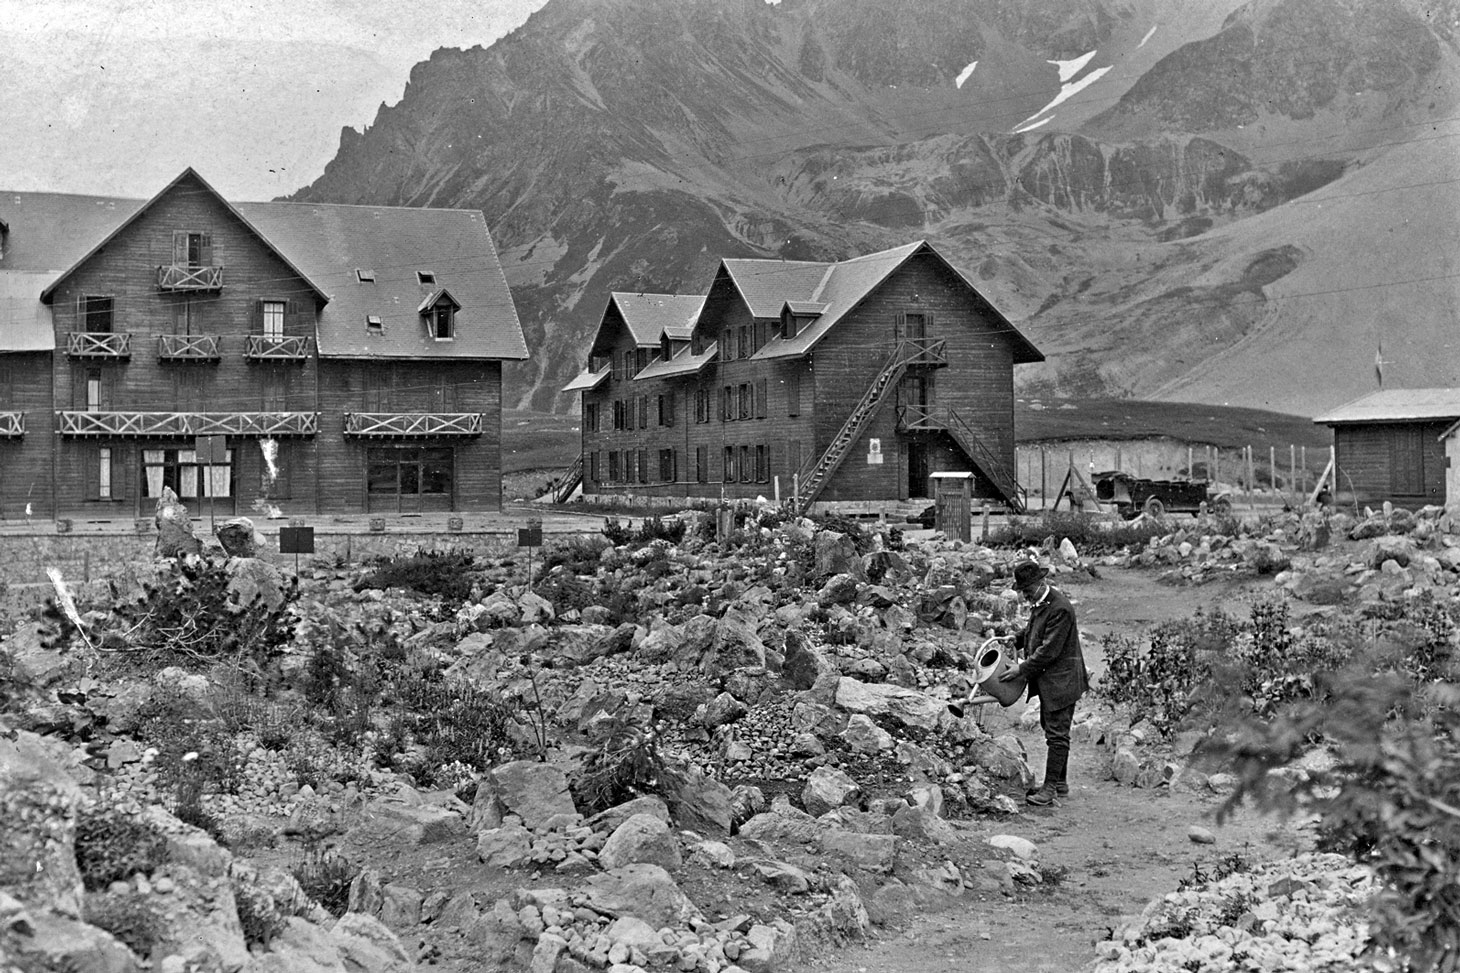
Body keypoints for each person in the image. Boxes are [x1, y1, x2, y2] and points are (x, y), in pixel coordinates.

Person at [1000, 558, 1089, 807]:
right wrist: (1016, 639)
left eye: (1027, 591)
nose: (1026, 597)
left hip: (1063, 680)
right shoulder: (1043, 602)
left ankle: (1050, 789)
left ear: (1040, 583)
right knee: (1053, 730)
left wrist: (1020, 670)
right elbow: (1035, 631)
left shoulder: (1059, 608)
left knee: (1057, 733)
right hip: (1055, 679)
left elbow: (1048, 651)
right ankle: (1059, 783)